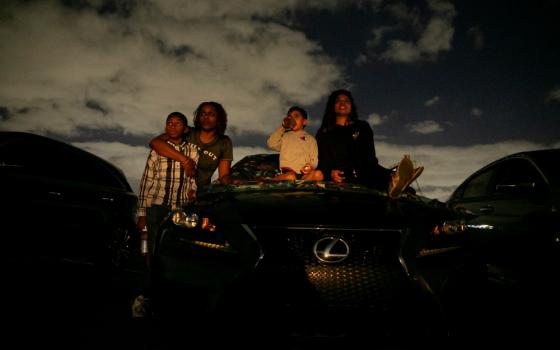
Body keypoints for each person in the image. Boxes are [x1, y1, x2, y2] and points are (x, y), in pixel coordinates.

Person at [133, 111, 198, 317]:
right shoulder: (156, 151)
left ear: (185, 129)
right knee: (151, 251)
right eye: (169, 123)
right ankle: (146, 296)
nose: (172, 126)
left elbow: (191, 179)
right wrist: (142, 213)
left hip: (178, 209)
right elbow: (146, 182)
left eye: (178, 123)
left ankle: (172, 298)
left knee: (176, 251)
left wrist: (192, 195)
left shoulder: (192, 150)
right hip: (156, 206)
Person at [315, 89, 423, 198]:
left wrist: (375, 170)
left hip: (365, 169)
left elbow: (370, 155)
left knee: (371, 170)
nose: (342, 103)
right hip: (342, 173)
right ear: (332, 106)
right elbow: (321, 158)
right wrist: (330, 172)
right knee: (371, 175)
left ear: (351, 106)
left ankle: (395, 178)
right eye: (338, 101)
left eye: (346, 101)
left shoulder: (362, 126)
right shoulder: (325, 132)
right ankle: (394, 179)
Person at [150, 101, 233, 189]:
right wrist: (184, 160)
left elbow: (223, 176)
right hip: (173, 190)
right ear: (198, 117)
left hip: (199, 194)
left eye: (211, 114)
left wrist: (234, 181)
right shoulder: (186, 131)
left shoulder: (224, 142)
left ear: (219, 119)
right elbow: (155, 143)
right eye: (202, 114)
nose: (206, 117)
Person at [266, 106, 323, 181]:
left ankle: (300, 188)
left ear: (304, 122)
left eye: (296, 116)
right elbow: (271, 144)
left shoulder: (311, 139)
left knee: (318, 174)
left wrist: (310, 166)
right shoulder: (285, 136)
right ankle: (270, 181)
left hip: (304, 174)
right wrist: (283, 127)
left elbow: (314, 159)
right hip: (287, 172)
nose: (292, 119)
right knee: (291, 177)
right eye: (289, 117)